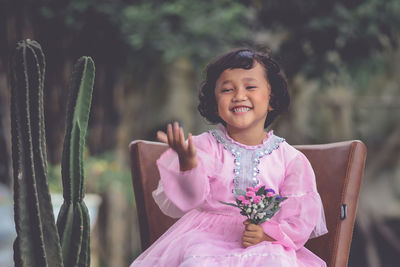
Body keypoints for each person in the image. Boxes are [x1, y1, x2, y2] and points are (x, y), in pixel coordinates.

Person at [131, 48, 328, 267]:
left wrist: (267, 235)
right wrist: (188, 164)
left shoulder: (290, 159)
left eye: (250, 86)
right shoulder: (203, 147)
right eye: (227, 89)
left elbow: (298, 220)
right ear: (215, 103)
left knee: (274, 260)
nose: (239, 96)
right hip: (205, 239)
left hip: (262, 243)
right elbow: (188, 199)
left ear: (272, 99)